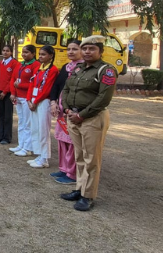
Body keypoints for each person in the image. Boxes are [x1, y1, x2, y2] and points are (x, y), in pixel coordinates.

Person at [60, 35, 117, 211]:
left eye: (92, 49)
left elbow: (103, 98)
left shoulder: (107, 70)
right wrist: (67, 110)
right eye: (84, 48)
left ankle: (88, 195)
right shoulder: (79, 69)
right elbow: (66, 89)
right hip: (73, 117)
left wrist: (81, 115)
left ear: (101, 51)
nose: (87, 52)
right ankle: (80, 188)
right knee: (79, 156)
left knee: (91, 159)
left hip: (92, 118)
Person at [50, 39, 83, 184]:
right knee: (62, 140)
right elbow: (57, 85)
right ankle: (63, 168)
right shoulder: (66, 67)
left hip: (73, 112)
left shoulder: (84, 69)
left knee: (72, 142)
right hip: (61, 110)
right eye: (69, 49)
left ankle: (72, 173)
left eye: (75, 49)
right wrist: (53, 102)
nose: (71, 52)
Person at [26, 45, 59, 168]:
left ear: (51, 56)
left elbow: (47, 89)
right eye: (39, 54)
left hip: (43, 101)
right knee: (35, 128)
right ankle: (39, 154)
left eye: (43, 54)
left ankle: (44, 158)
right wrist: (29, 100)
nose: (40, 56)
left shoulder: (53, 70)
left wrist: (35, 101)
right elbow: (32, 84)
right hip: (34, 100)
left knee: (43, 129)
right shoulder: (38, 69)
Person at [10, 45, 40, 157]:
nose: (23, 54)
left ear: (33, 54)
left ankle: (27, 148)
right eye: (23, 52)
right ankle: (21, 144)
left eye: (26, 52)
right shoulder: (20, 64)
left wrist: (20, 85)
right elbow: (13, 79)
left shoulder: (35, 65)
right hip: (18, 97)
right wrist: (13, 93)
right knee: (21, 122)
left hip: (27, 98)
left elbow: (34, 83)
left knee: (28, 123)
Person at [0, 44, 20, 145]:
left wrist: (5, 92)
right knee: (1, 115)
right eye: (4, 50)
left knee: (8, 116)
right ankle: (0, 135)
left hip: (8, 93)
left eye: (7, 51)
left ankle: (7, 137)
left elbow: (12, 79)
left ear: (11, 52)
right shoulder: (0, 63)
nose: (5, 52)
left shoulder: (14, 63)